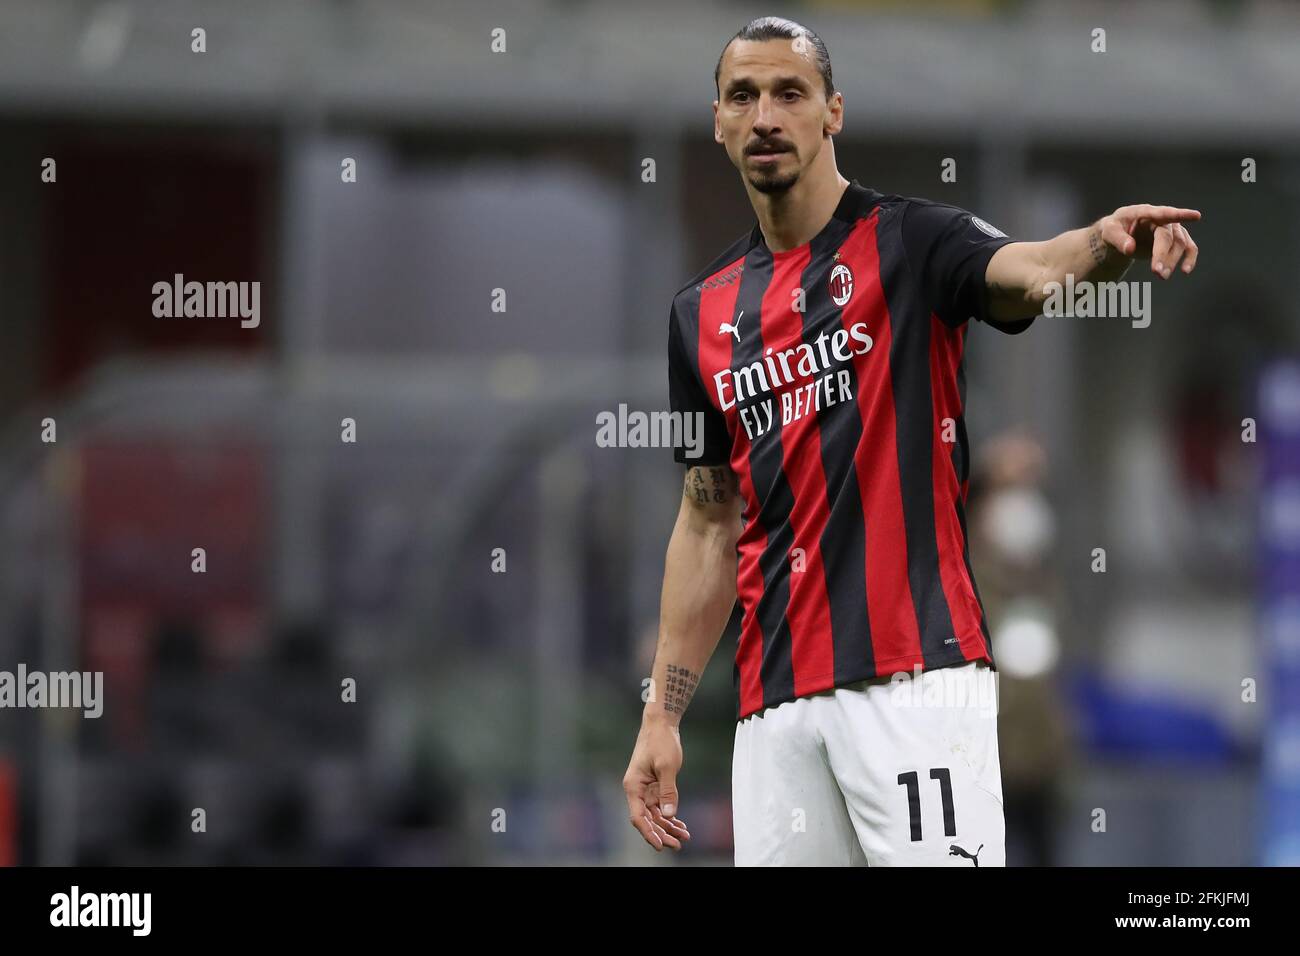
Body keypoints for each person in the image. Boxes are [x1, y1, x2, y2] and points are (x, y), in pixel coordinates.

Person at [622, 15, 1200, 866]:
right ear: (719, 121)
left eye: (790, 93)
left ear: (833, 112)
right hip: (773, 711)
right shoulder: (698, 313)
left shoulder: (913, 240)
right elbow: (708, 523)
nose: (766, 116)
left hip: (917, 686)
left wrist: (1103, 246)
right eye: (743, 97)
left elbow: (1032, 271)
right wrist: (661, 715)